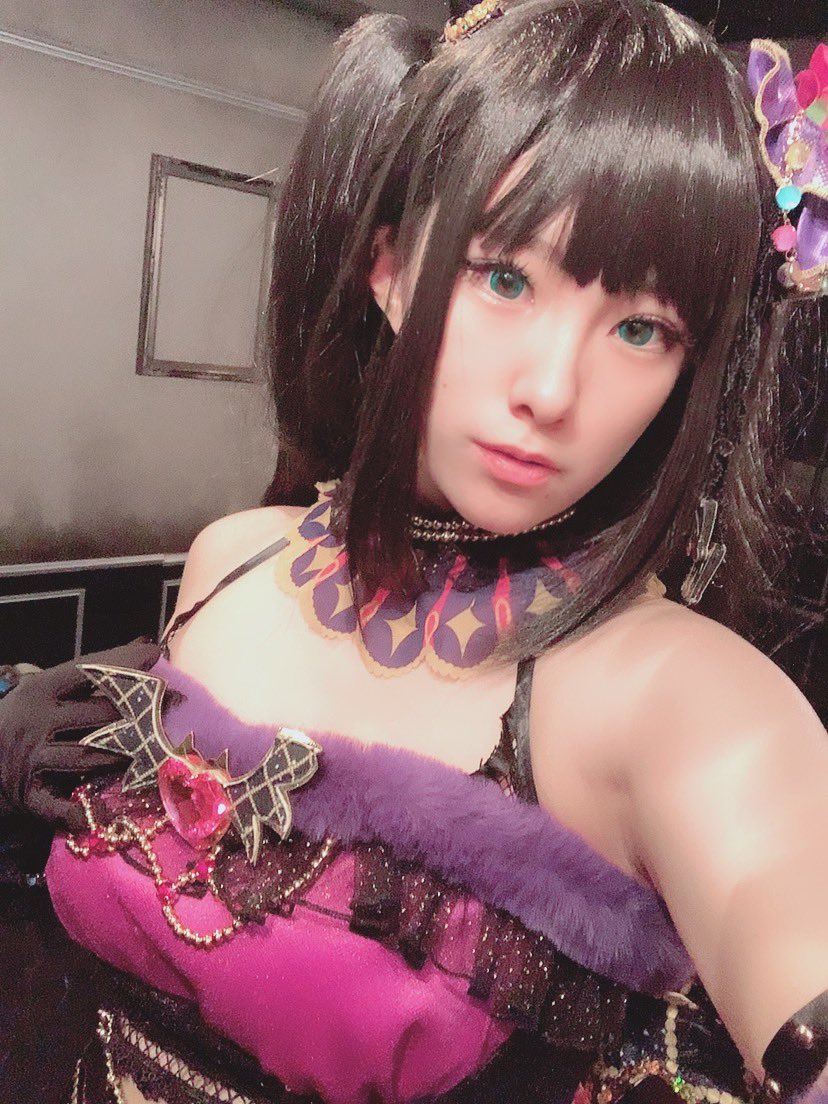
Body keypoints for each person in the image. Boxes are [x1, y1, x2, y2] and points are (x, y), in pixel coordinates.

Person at [2, 2, 827, 1102]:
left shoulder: (682, 701)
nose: (551, 391)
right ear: (390, 271)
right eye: (504, 278)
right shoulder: (231, 561)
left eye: (643, 329)